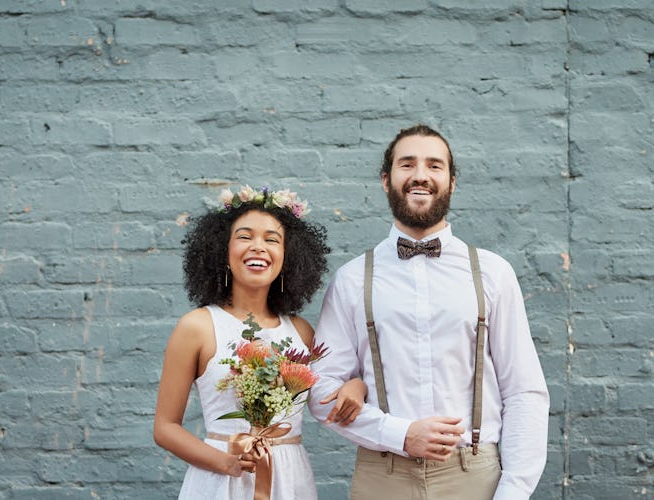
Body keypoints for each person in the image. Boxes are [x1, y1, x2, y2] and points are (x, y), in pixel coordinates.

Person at [308, 124, 550, 500]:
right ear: (386, 181)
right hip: (382, 476)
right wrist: (399, 434)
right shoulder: (352, 279)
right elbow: (320, 390)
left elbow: (524, 391)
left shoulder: (492, 273)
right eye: (408, 164)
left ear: (451, 182)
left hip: (475, 475)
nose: (420, 174)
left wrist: (513, 491)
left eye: (434, 165)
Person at [154, 185, 367, 500]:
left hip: (290, 480)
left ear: (287, 256)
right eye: (244, 237)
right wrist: (228, 462)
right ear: (222, 251)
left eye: (272, 239)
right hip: (218, 481)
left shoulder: (301, 332)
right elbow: (165, 427)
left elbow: (330, 395)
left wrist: (357, 387)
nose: (258, 247)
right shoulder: (197, 327)